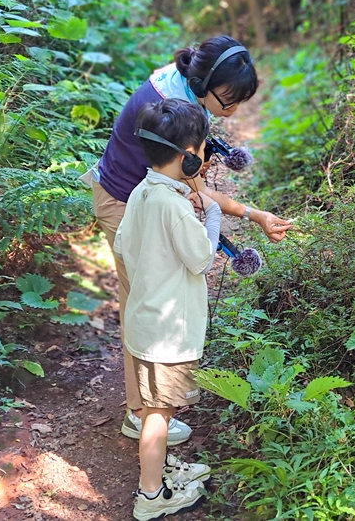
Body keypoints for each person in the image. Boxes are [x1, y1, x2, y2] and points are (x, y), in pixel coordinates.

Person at [80, 35, 292, 445]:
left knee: (146, 302)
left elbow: (193, 188)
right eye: (227, 101)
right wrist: (253, 215)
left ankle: (147, 408)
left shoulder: (181, 87)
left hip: (138, 197)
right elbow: (199, 192)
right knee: (146, 305)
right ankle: (144, 415)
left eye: (239, 102)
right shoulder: (175, 112)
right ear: (202, 84)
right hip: (123, 202)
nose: (232, 111)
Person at [114, 98, 218, 519]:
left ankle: (160, 471)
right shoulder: (173, 206)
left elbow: (122, 246)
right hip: (167, 335)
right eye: (204, 147)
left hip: (144, 323)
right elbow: (202, 258)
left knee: (153, 407)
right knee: (158, 415)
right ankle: (152, 496)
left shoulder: (142, 192)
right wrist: (211, 215)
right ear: (188, 155)